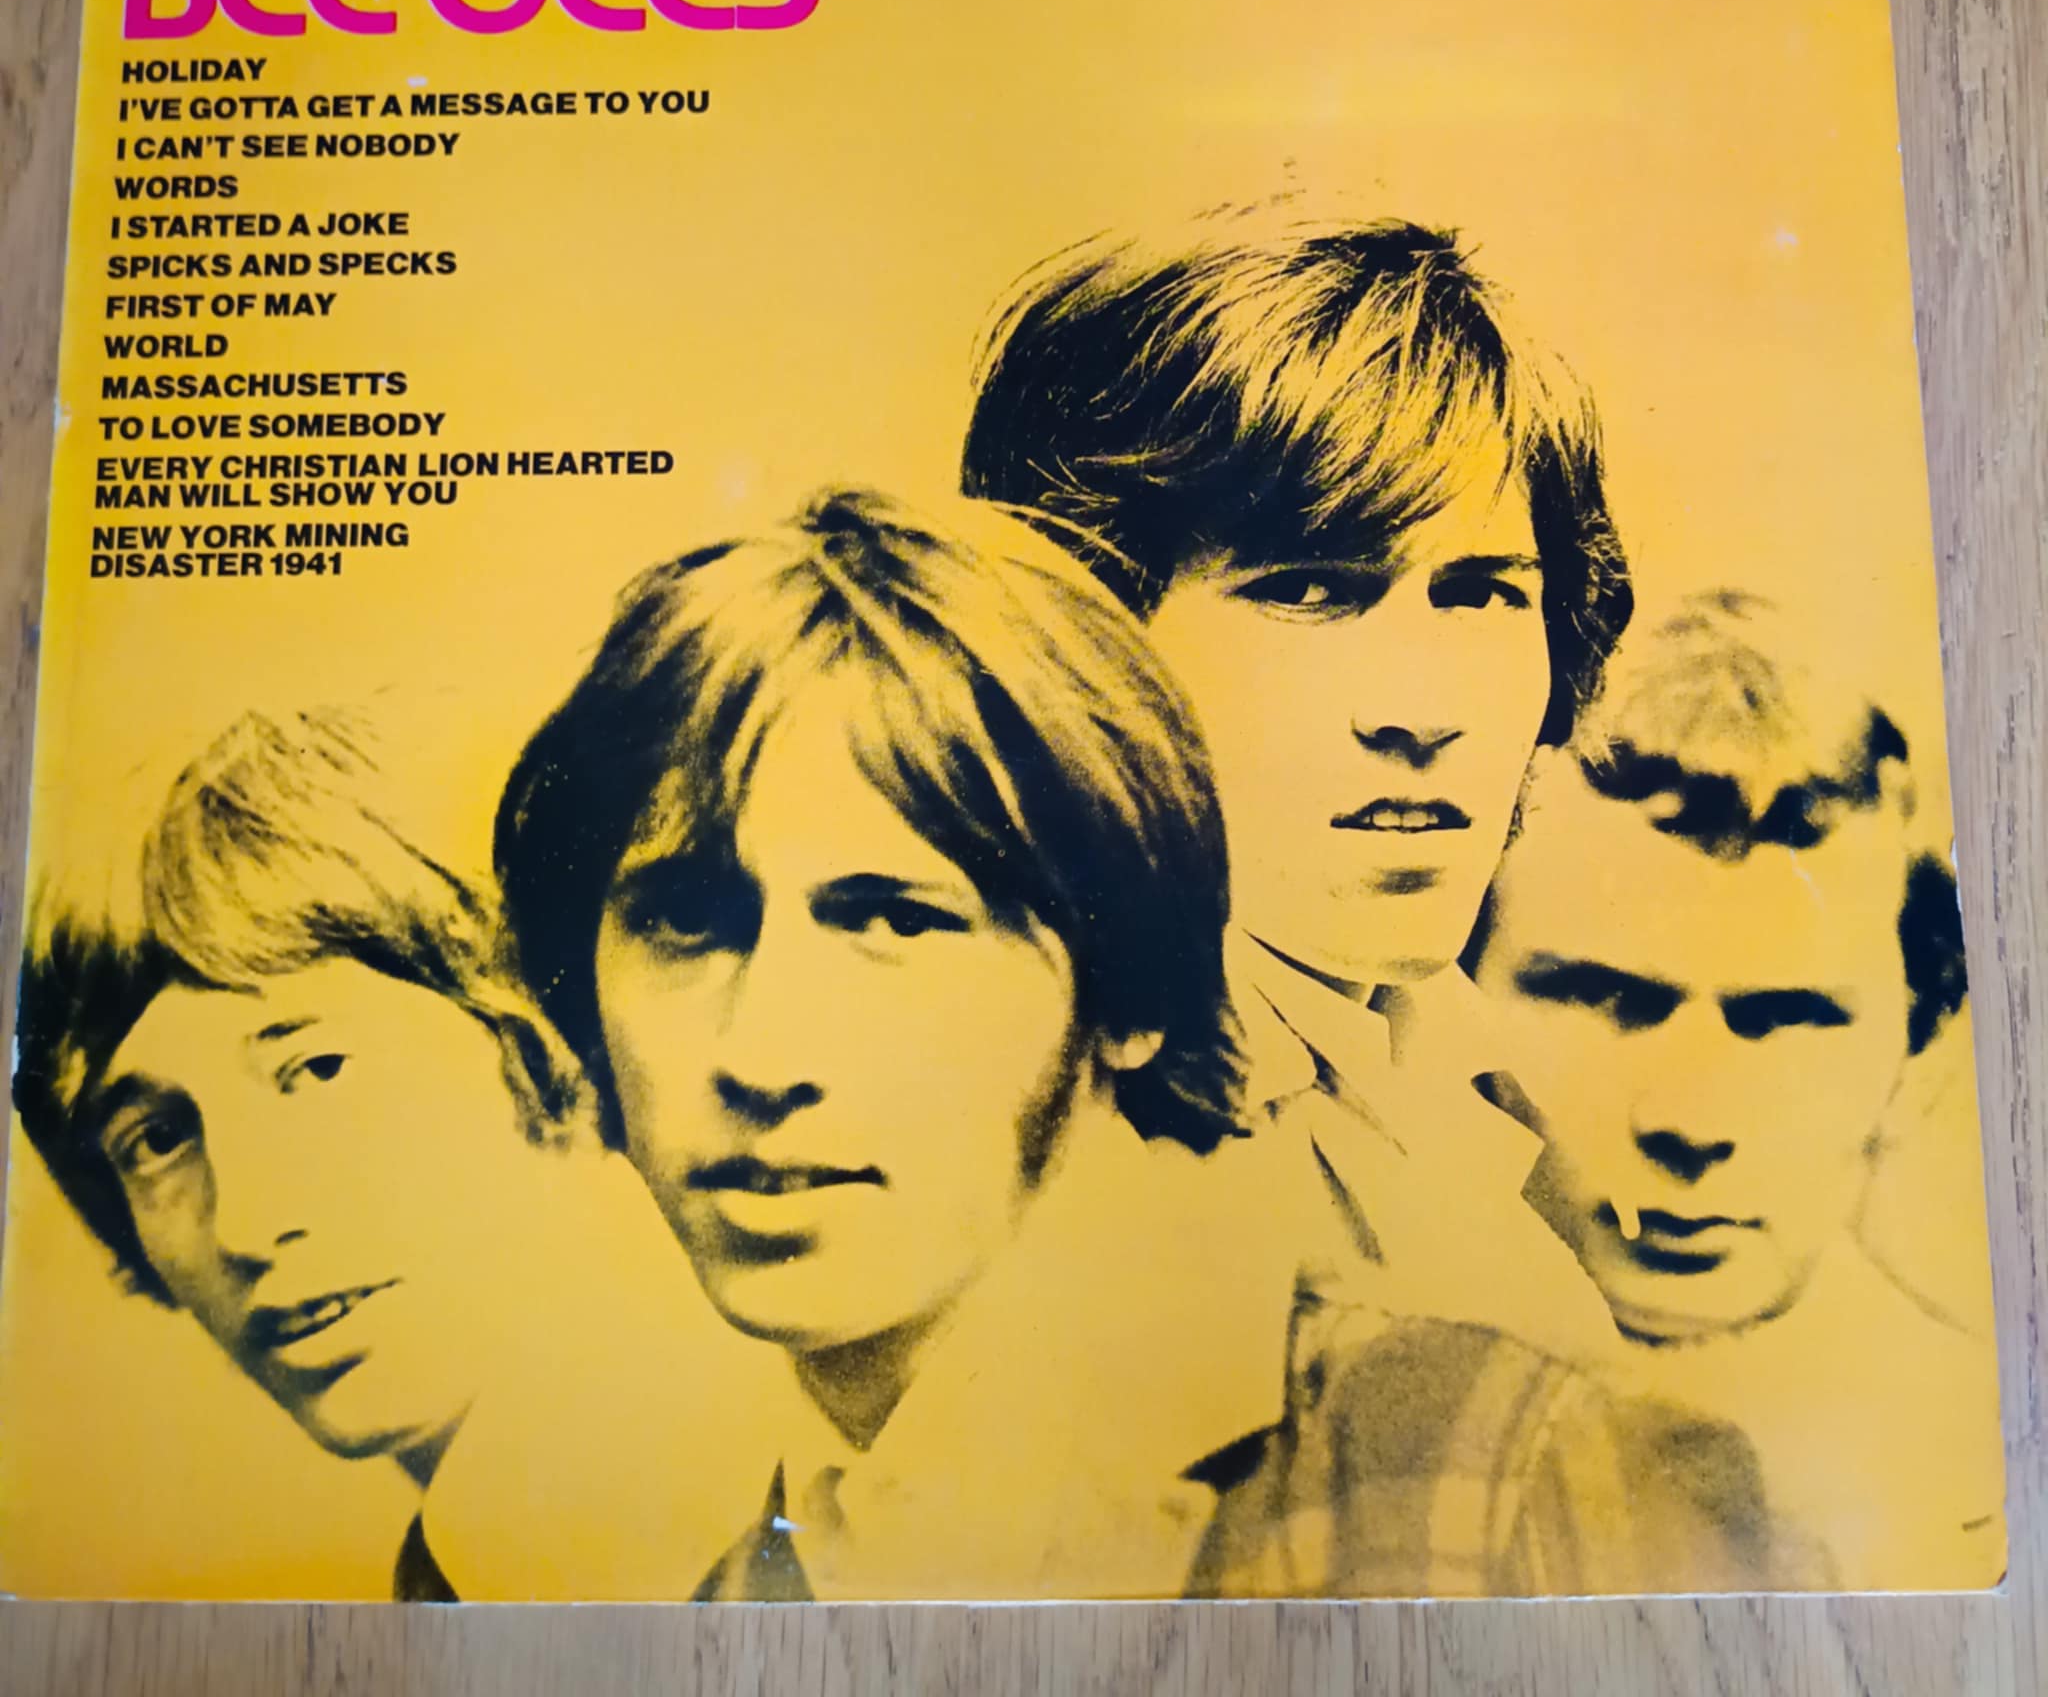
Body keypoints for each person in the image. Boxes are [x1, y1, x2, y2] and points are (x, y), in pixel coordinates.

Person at [491, 487, 1773, 1599]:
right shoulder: (728, 1592)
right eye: (683, 922)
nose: (761, 1054)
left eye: (892, 918)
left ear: (1127, 992)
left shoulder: (1505, 1464)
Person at [960, 211, 1633, 1360]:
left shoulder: (1455, 1092)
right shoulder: (1057, 1144)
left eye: (1481, 593)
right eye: (1308, 591)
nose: (1419, 709)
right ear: (1087, 643)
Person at [11, 707, 661, 1601]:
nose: (244, 1226)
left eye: (318, 1069)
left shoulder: (770, 1510)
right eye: (156, 1140)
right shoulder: (468, 1566)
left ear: (529, 1042)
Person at [1470, 591, 2006, 1586]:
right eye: (1602, 997)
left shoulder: (1991, 1490)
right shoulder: (1285, 1417)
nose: (1689, 1122)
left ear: (1919, 1032)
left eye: (1788, 1017)